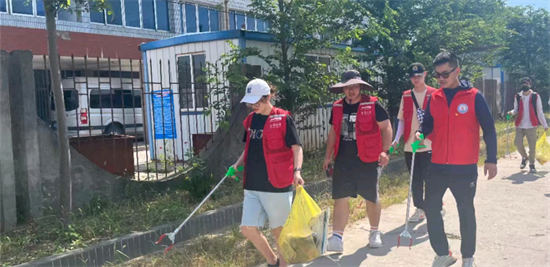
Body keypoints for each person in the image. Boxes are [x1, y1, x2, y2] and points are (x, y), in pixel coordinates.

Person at [416, 51, 498, 267]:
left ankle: (468, 257)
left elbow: (489, 129)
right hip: (437, 165)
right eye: (437, 75)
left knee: (466, 211)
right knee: (431, 208)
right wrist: (419, 137)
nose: (441, 79)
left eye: (445, 74)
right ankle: (443, 253)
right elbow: (427, 127)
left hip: (465, 167)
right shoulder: (434, 98)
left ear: (457, 71)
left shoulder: (473, 96)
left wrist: (491, 159)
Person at [230, 78, 305, 267]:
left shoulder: (283, 118)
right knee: (247, 228)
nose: (253, 105)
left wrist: (297, 172)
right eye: (250, 102)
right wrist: (237, 165)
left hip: (277, 183)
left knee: (278, 231)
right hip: (252, 183)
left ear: (268, 96)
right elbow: (249, 147)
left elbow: (297, 148)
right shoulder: (251, 120)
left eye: (257, 101)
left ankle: (284, 265)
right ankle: (272, 260)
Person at [322, 70, 393, 252]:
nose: (351, 91)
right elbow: (333, 133)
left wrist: (385, 151)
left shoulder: (373, 104)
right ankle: (337, 237)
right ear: (343, 89)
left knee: (371, 196)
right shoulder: (337, 107)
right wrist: (328, 156)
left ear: (360, 86)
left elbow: (386, 128)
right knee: (340, 197)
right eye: (347, 87)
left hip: (368, 157)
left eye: (354, 86)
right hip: (343, 158)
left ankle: (374, 232)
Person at [392, 62, 444, 223]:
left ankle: (435, 205)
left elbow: (441, 120)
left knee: (431, 178)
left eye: (419, 75)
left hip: (429, 143)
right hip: (411, 144)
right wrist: (396, 140)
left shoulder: (435, 94)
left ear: (425, 75)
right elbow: (401, 120)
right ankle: (420, 208)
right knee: (415, 178)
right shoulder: (406, 95)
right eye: (413, 76)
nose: (416, 78)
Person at [507, 77, 548, 173]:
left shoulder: (535, 96)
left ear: (530, 85)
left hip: (531, 125)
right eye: (523, 84)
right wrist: (511, 112)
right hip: (520, 125)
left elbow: (539, 111)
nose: (524, 85)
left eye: (526, 83)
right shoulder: (518, 96)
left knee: (532, 147)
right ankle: (524, 157)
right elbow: (516, 109)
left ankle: (532, 164)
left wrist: (544, 125)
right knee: (517, 143)